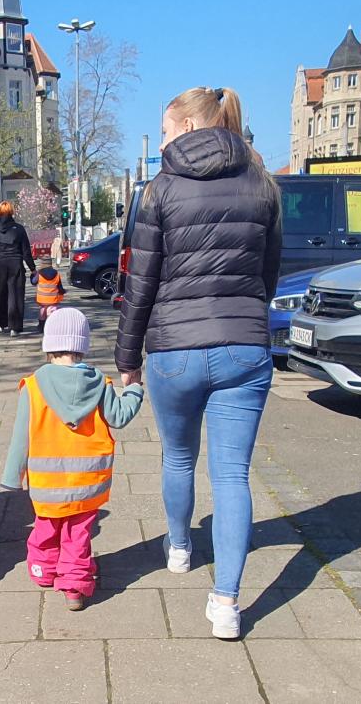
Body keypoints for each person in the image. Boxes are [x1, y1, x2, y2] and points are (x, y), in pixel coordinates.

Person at [114, 86, 282, 639]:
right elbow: (268, 274)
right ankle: (227, 603)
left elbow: (140, 284)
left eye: (164, 130)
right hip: (244, 345)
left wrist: (127, 359)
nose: (161, 140)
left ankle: (181, 546)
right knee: (232, 474)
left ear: (187, 126)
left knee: (179, 458)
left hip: (174, 348)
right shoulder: (262, 184)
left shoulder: (160, 188)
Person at [2, 308, 143, 611]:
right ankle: (74, 587)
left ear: (48, 345)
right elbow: (119, 417)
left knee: (45, 527)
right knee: (78, 535)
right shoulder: (100, 384)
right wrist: (133, 388)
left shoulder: (34, 386)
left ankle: (43, 570)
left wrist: (13, 476)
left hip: (46, 483)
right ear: (84, 345)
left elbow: (21, 436)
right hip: (88, 482)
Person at [0, 201, 36, 336]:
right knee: (15, 296)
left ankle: (1, 323)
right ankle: (14, 327)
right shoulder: (19, 229)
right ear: (12, 212)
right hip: (15, 264)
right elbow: (26, 251)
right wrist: (33, 269)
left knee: (1, 295)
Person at [30, 255, 66, 334]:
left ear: (42, 264)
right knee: (51, 311)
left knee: (42, 311)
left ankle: (41, 327)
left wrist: (32, 275)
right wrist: (63, 292)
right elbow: (60, 287)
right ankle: (51, 326)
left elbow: (33, 282)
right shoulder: (56, 273)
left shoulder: (39, 274)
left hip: (42, 299)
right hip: (53, 299)